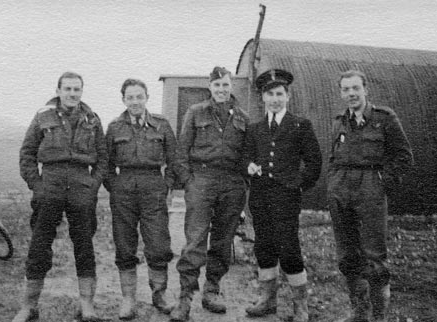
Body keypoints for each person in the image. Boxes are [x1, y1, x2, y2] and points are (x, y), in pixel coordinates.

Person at [15, 71, 108, 322]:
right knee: (39, 244)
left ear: (81, 91)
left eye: (76, 89)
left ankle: (87, 305)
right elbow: (27, 154)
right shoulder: (43, 116)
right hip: (51, 183)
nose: (72, 94)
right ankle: (29, 306)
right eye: (67, 89)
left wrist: (93, 185)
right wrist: (37, 185)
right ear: (58, 91)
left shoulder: (92, 118)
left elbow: (103, 158)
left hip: (81, 184)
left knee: (84, 245)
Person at [328, 70, 413, 322]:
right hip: (341, 192)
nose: (351, 94)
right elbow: (333, 157)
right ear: (341, 92)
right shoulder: (338, 121)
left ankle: (379, 317)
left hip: (370, 192)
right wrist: (333, 184)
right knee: (347, 255)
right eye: (346, 89)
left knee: (374, 258)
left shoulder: (384, 119)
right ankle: (360, 313)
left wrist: (381, 182)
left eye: (356, 88)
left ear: (365, 89)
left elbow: (403, 157)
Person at [169, 66, 250, 322]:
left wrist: (243, 184)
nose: (222, 90)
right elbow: (181, 152)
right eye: (217, 86)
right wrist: (189, 183)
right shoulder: (195, 113)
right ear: (210, 87)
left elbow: (248, 154)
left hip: (232, 182)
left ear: (231, 86)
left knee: (223, 240)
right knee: (195, 240)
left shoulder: (243, 117)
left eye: (225, 85)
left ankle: (212, 289)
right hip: (202, 180)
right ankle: (185, 298)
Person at [244, 69, 322, 322]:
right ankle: (268, 300)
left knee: (288, 249)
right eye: (270, 94)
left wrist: (298, 185)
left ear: (287, 96)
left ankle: (300, 306)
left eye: (279, 93)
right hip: (260, 197)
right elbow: (244, 157)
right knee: (264, 247)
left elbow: (314, 163)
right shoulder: (254, 128)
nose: (275, 98)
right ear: (262, 98)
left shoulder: (300, 125)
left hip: (286, 198)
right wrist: (249, 166)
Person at [104, 78, 177, 320]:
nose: (135, 102)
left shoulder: (162, 125)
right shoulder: (115, 127)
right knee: (125, 245)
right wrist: (115, 187)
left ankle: (159, 295)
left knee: (158, 244)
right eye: (130, 97)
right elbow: (105, 164)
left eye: (139, 96)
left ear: (147, 97)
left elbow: (174, 161)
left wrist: (166, 185)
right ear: (123, 99)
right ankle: (128, 299)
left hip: (153, 188)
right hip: (123, 190)